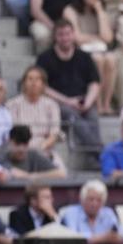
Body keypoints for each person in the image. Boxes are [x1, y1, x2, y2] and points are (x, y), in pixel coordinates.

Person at [36, 20, 102, 165]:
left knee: (92, 115)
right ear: (55, 37)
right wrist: (67, 101)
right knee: (71, 114)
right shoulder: (44, 58)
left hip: (82, 100)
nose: (65, 38)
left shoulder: (84, 57)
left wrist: (88, 101)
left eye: (68, 34)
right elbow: (42, 87)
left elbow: (95, 83)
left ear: (73, 35)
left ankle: (94, 157)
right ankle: (100, 153)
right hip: (58, 103)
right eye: (61, 35)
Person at [61, 179, 123, 244]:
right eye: (91, 199)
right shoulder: (71, 212)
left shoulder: (108, 213)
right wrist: (101, 239)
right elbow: (73, 239)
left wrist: (116, 237)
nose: (94, 204)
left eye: (99, 200)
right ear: (82, 200)